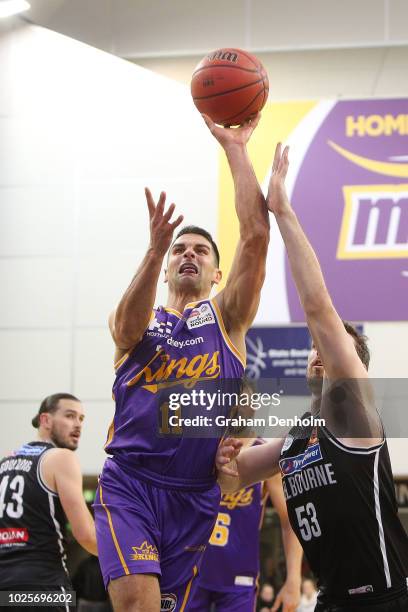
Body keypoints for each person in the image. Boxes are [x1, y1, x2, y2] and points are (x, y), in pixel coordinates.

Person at [216, 143, 408, 611]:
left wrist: (282, 211)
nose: (318, 354)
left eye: (329, 348)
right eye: (313, 351)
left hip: (384, 598)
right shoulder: (298, 437)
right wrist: (216, 449)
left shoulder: (355, 412)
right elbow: (230, 479)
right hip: (332, 600)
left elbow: (319, 308)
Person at [93, 113, 271, 612]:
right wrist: (152, 251)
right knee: (137, 604)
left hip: (194, 496)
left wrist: (236, 149)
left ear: (218, 274)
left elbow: (256, 236)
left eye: (201, 251)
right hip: (130, 482)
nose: (188, 254)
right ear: (168, 265)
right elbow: (124, 330)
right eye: (179, 250)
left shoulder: (227, 319)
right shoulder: (137, 317)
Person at [189, 381, 302, 612]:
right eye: (233, 400)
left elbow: (290, 520)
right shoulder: (202, 448)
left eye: (245, 401)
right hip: (191, 571)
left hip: (238, 578)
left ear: (255, 407)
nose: (239, 406)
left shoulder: (266, 455)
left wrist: (294, 579)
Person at [0, 393, 97, 610]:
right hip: (43, 583)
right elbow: (87, 535)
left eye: (81, 419)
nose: (78, 425)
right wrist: (128, 554)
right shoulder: (61, 457)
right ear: (45, 420)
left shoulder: (5, 461)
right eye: (70, 416)